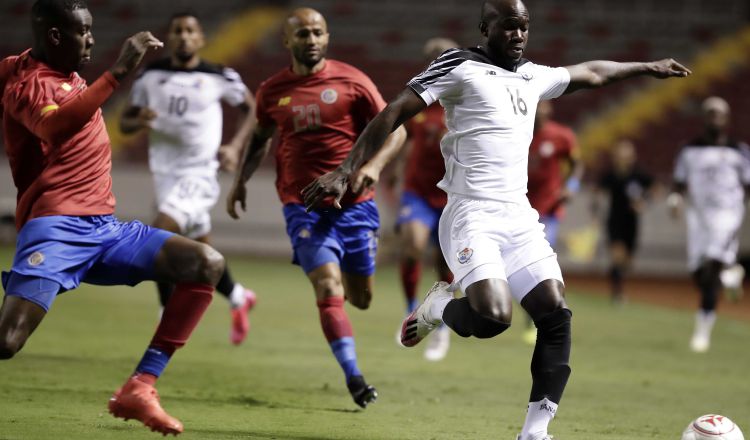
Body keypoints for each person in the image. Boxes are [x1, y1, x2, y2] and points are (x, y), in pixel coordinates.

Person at [302, 1, 690, 438]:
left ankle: (534, 432)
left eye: (524, 27)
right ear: (485, 27)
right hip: (472, 214)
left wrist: (648, 66)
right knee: (491, 319)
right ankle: (439, 307)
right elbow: (392, 112)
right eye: (509, 26)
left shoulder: (533, 75)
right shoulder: (459, 64)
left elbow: (592, 72)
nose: (519, 35)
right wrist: (346, 170)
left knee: (555, 314)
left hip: (520, 218)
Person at [0, 0, 227, 435]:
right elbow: (53, 128)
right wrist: (118, 72)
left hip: (106, 228)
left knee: (206, 263)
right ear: (53, 36)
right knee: (7, 343)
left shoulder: (50, 73)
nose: (91, 40)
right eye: (82, 32)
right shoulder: (27, 83)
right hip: (56, 230)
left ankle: (140, 388)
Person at [227, 8, 406, 408]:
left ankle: (341, 263)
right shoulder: (273, 90)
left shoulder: (352, 81)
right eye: (303, 34)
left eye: (317, 33)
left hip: (356, 207)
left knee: (360, 299)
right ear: (287, 42)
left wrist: (373, 168)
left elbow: (397, 131)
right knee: (328, 288)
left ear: (327, 37)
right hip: (301, 205)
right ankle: (355, 377)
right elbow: (259, 137)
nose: (311, 40)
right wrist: (239, 182)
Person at [120, 11, 257, 345]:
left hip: (200, 173)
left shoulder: (219, 75)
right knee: (199, 251)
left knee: (158, 235)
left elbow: (253, 108)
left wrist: (235, 146)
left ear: (201, 39)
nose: (183, 36)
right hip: (165, 174)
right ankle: (239, 296)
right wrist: (140, 121)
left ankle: (166, 313)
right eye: (177, 30)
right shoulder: (151, 75)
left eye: (190, 30)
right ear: (170, 37)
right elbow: (125, 123)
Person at [668, 96, 750, 353]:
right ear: (704, 117)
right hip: (698, 217)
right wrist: (675, 199)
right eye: (710, 113)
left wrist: (739, 210)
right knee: (699, 275)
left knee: (712, 267)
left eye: (719, 114)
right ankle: (731, 275)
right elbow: (679, 183)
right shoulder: (689, 149)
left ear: (726, 119)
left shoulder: (739, 150)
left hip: (727, 215)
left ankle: (702, 333)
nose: (715, 117)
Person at [394, 37, 457, 361]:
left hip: (450, 195)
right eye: (432, 58)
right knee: (413, 246)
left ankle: (439, 324)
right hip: (417, 192)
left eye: (443, 56)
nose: (437, 62)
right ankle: (410, 311)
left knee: (445, 264)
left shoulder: (464, 101)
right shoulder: (419, 101)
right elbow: (404, 139)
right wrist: (395, 173)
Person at [524, 99, 581, 343]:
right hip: (519, 207)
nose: (540, 111)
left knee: (541, 260)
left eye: (544, 106)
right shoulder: (515, 130)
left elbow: (577, 164)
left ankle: (537, 317)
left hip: (549, 209)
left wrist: (571, 186)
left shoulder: (561, 135)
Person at [593, 139, 654, 304]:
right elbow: (597, 190)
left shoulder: (638, 174)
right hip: (614, 221)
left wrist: (644, 202)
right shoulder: (610, 174)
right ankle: (617, 294)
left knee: (626, 263)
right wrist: (595, 206)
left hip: (632, 222)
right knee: (617, 255)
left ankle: (614, 275)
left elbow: (655, 188)